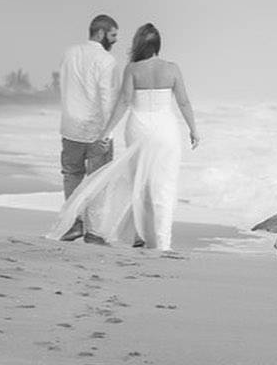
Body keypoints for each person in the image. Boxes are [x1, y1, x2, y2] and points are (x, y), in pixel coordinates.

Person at [47, 22, 200, 251]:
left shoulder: (133, 69)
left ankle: (140, 235)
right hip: (165, 129)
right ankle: (163, 242)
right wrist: (194, 130)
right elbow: (184, 102)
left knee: (138, 183)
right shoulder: (172, 68)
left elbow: (125, 102)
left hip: (138, 127)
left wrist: (106, 132)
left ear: (138, 44)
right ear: (158, 45)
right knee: (164, 184)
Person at [57, 14, 120, 242]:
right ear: (101, 33)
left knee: (72, 175)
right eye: (113, 35)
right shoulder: (106, 61)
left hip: (70, 126)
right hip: (96, 130)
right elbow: (107, 98)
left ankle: (73, 224)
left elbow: (64, 85)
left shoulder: (69, 53)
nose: (114, 41)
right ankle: (94, 232)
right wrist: (108, 133)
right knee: (99, 181)